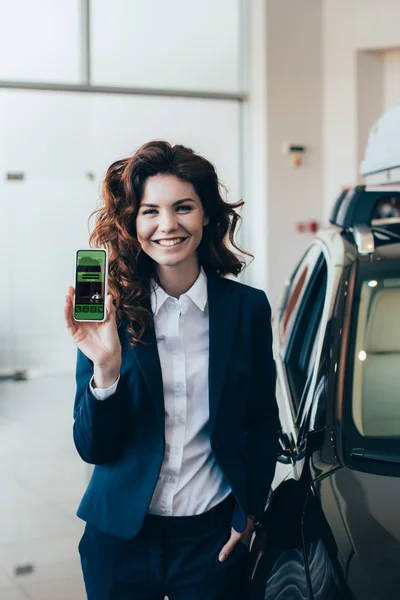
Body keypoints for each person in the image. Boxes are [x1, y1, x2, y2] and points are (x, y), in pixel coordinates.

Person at [64, 140, 279, 600]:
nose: (168, 225)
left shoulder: (246, 309)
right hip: (119, 539)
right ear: (132, 223)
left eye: (183, 207)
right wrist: (106, 366)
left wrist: (250, 513)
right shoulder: (110, 314)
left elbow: (262, 421)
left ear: (207, 216)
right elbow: (92, 447)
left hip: (211, 540)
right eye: (150, 211)